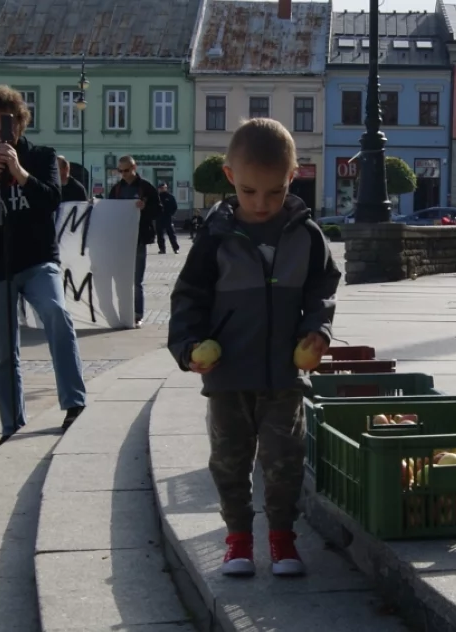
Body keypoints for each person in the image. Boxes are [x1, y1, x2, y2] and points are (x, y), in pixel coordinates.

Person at [168, 118, 341, 579]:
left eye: (273, 192)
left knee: (285, 461)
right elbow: (188, 297)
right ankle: (238, 539)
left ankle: (283, 538)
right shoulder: (215, 237)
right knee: (230, 461)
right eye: (248, 192)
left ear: (292, 176)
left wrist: (317, 328)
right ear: (229, 178)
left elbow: (322, 287)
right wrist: (187, 346)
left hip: (284, 375)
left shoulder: (306, 234)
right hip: (227, 375)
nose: (261, 204)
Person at [0, 85, 87, 455]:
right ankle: (12, 426)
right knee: (3, 351)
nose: (0, 128)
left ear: (20, 123)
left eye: (6, 121)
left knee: (57, 314)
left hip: (37, 259)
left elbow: (52, 200)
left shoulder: (42, 156)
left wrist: (19, 171)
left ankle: (74, 404)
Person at [108, 155, 161, 327]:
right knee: (121, 278)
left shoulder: (146, 188)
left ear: (134, 168)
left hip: (139, 238)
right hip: (120, 240)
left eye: (126, 170)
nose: (123, 174)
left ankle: (138, 314)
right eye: (120, 171)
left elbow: (158, 210)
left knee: (136, 280)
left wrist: (146, 208)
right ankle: (123, 312)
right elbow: (109, 210)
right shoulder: (116, 189)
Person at [155, 182, 180, 254]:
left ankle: (176, 248)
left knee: (171, 234)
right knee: (160, 235)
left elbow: (174, 207)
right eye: (161, 188)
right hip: (159, 218)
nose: (162, 189)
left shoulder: (170, 197)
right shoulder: (156, 197)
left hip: (167, 218)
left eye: (164, 188)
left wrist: (170, 214)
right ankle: (162, 249)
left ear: (166, 188)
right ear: (159, 189)